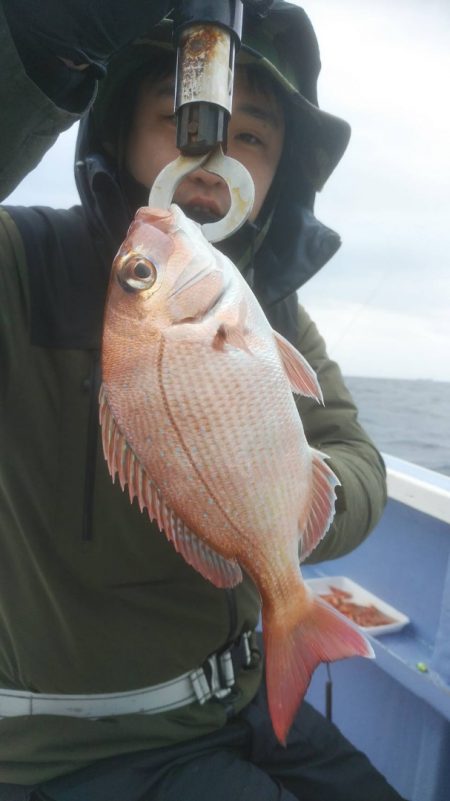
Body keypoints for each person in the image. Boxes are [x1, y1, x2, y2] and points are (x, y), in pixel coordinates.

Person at [0, 1, 407, 799]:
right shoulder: (23, 264)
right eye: (186, 126)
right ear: (116, 133)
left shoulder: (266, 308)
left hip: (241, 699)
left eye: (250, 137)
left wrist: (289, 489)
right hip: (77, 752)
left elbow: (358, 458)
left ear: (280, 171)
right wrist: (28, 62)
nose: (214, 158)